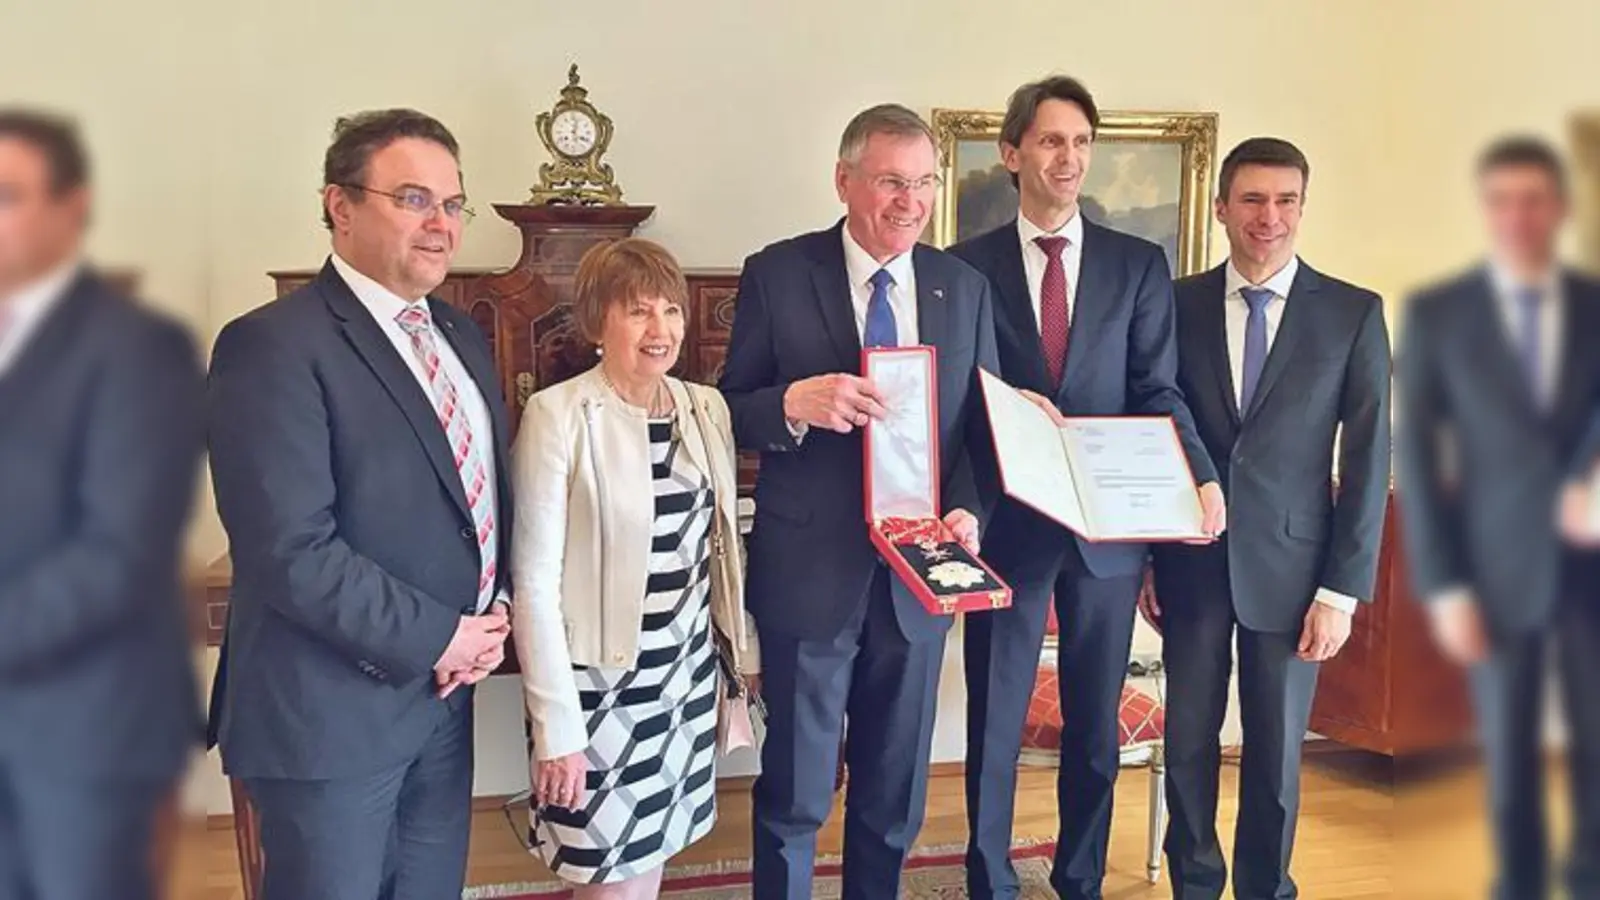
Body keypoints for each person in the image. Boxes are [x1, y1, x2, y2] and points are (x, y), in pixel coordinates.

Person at [206, 108, 514, 900]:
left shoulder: (462, 336)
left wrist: (494, 609)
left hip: (441, 705)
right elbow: (289, 551)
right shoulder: (272, 345)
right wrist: (443, 635)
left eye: (453, 204)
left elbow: (478, 503)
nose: (441, 225)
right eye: (414, 199)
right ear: (340, 206)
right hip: (329, 721)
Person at [947, 75, 1225, 900]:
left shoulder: (1140, 265)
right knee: (993, 726)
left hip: (1107, 535)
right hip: (1006, 530)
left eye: (1079, 142)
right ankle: (989, 881)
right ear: (1012, 152)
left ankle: (1078, 881)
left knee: (1095, 736)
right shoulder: (963, 267)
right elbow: (960, 405)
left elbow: (1157, 390)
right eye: (1049, 141)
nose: (1067, 158)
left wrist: (1200, 478)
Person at [719, 103, 999, 900]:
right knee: (797, 792)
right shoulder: (777, 272)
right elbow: (725, 404)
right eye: (888, 182)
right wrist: (791, 406)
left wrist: (970, 511)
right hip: (810, 572)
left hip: (920, 577)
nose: (908, 202)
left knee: (893, 792)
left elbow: (981, 429)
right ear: (844, 181)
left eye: (923, 184)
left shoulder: (962, 287)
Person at [1147, 137, 1391, 900]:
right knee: (1187, 743)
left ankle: (1264, 888)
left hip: (1296, 573)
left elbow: (1370, 458)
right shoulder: (1174, 303)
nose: (1270, 216)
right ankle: (1193, 883)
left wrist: (1341, 592)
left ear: (1302, 208)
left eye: (1286, 200)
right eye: (1252, 199)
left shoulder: (1353, 313)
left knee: (1277, 753)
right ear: (1221, 207)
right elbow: (1155, 426)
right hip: (1190, 561)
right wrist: (1150, 556)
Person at [510, 237, 756, 899]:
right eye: (639, 311)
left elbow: (721, 550)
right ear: (598, 324)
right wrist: (555, 724)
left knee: (649, 857)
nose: (662, 329)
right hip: (597, 691)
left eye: (671, 311)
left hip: (683, 680)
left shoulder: (706, 408)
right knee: (606, 874)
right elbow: (532, 581)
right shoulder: (557, 415)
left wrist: (740, 651)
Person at [0, 108, 203, 900]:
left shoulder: (138, 349)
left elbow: (118, 554)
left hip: (82, 733)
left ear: (72, 207)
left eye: (8, 194)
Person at [1396, 136, 1600, 900]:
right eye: (1504, 200)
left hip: (1592, 568)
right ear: (1487, 210)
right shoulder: (1439, 315)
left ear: (1561, 207)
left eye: (1535, 199)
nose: (1520, 215)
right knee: (1509, 764)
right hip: (1492, 572)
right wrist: (1446, 590)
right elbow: (1414, 454)